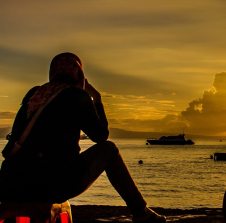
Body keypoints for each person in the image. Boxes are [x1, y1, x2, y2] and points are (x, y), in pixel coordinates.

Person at [0, 53, 166, 223]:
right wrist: (97, 99)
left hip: (12, 183)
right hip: (54, 184)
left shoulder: (34, 94)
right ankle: (141, 213)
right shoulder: (76, 96)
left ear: (52, 72)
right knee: (109, 149)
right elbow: (100, 137)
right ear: (80, 76)